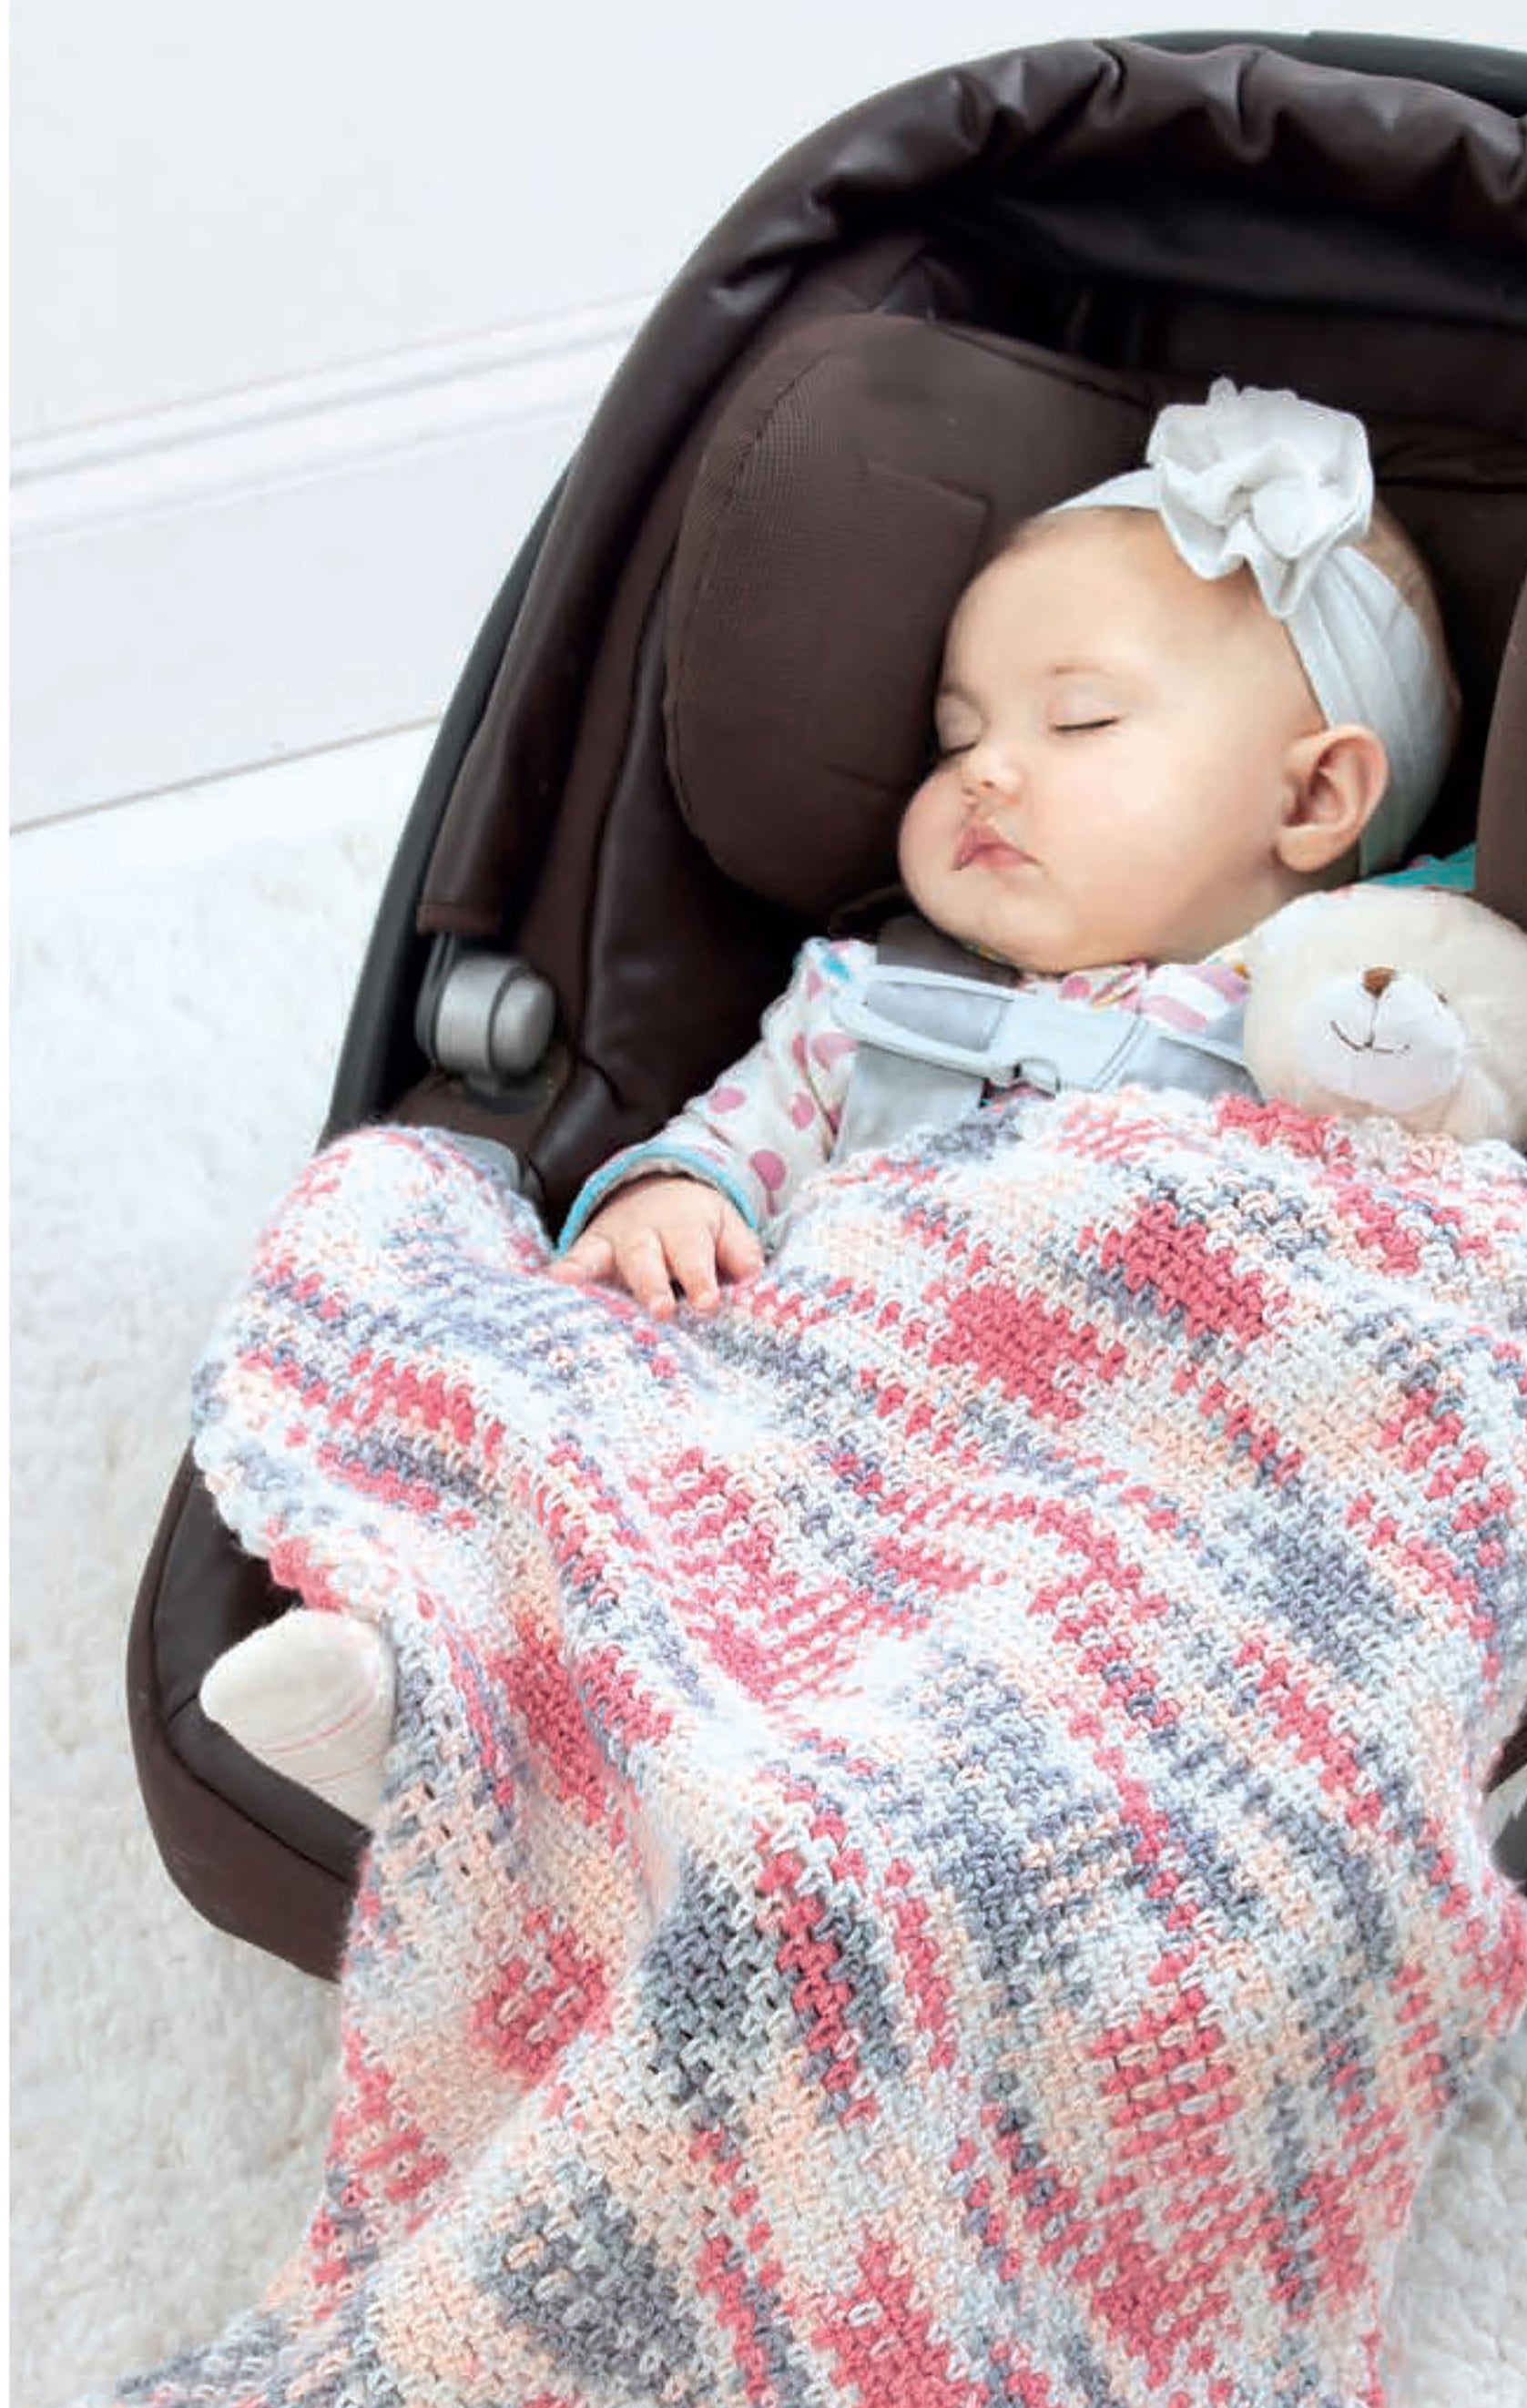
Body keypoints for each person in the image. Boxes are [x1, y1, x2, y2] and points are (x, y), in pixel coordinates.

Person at [197, 379, 1462, 1820]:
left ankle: (682, 1788)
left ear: (1310, 803)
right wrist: (674, 1193)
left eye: (1082, 720)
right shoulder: (865, 997)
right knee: (448, 1258)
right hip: (803, 1427)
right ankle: (428, 1676)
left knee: (1108, 1638)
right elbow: (744, 1131)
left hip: (1082, 1492)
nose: (985, 771)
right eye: (954, 737)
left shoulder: (1338, 1035)